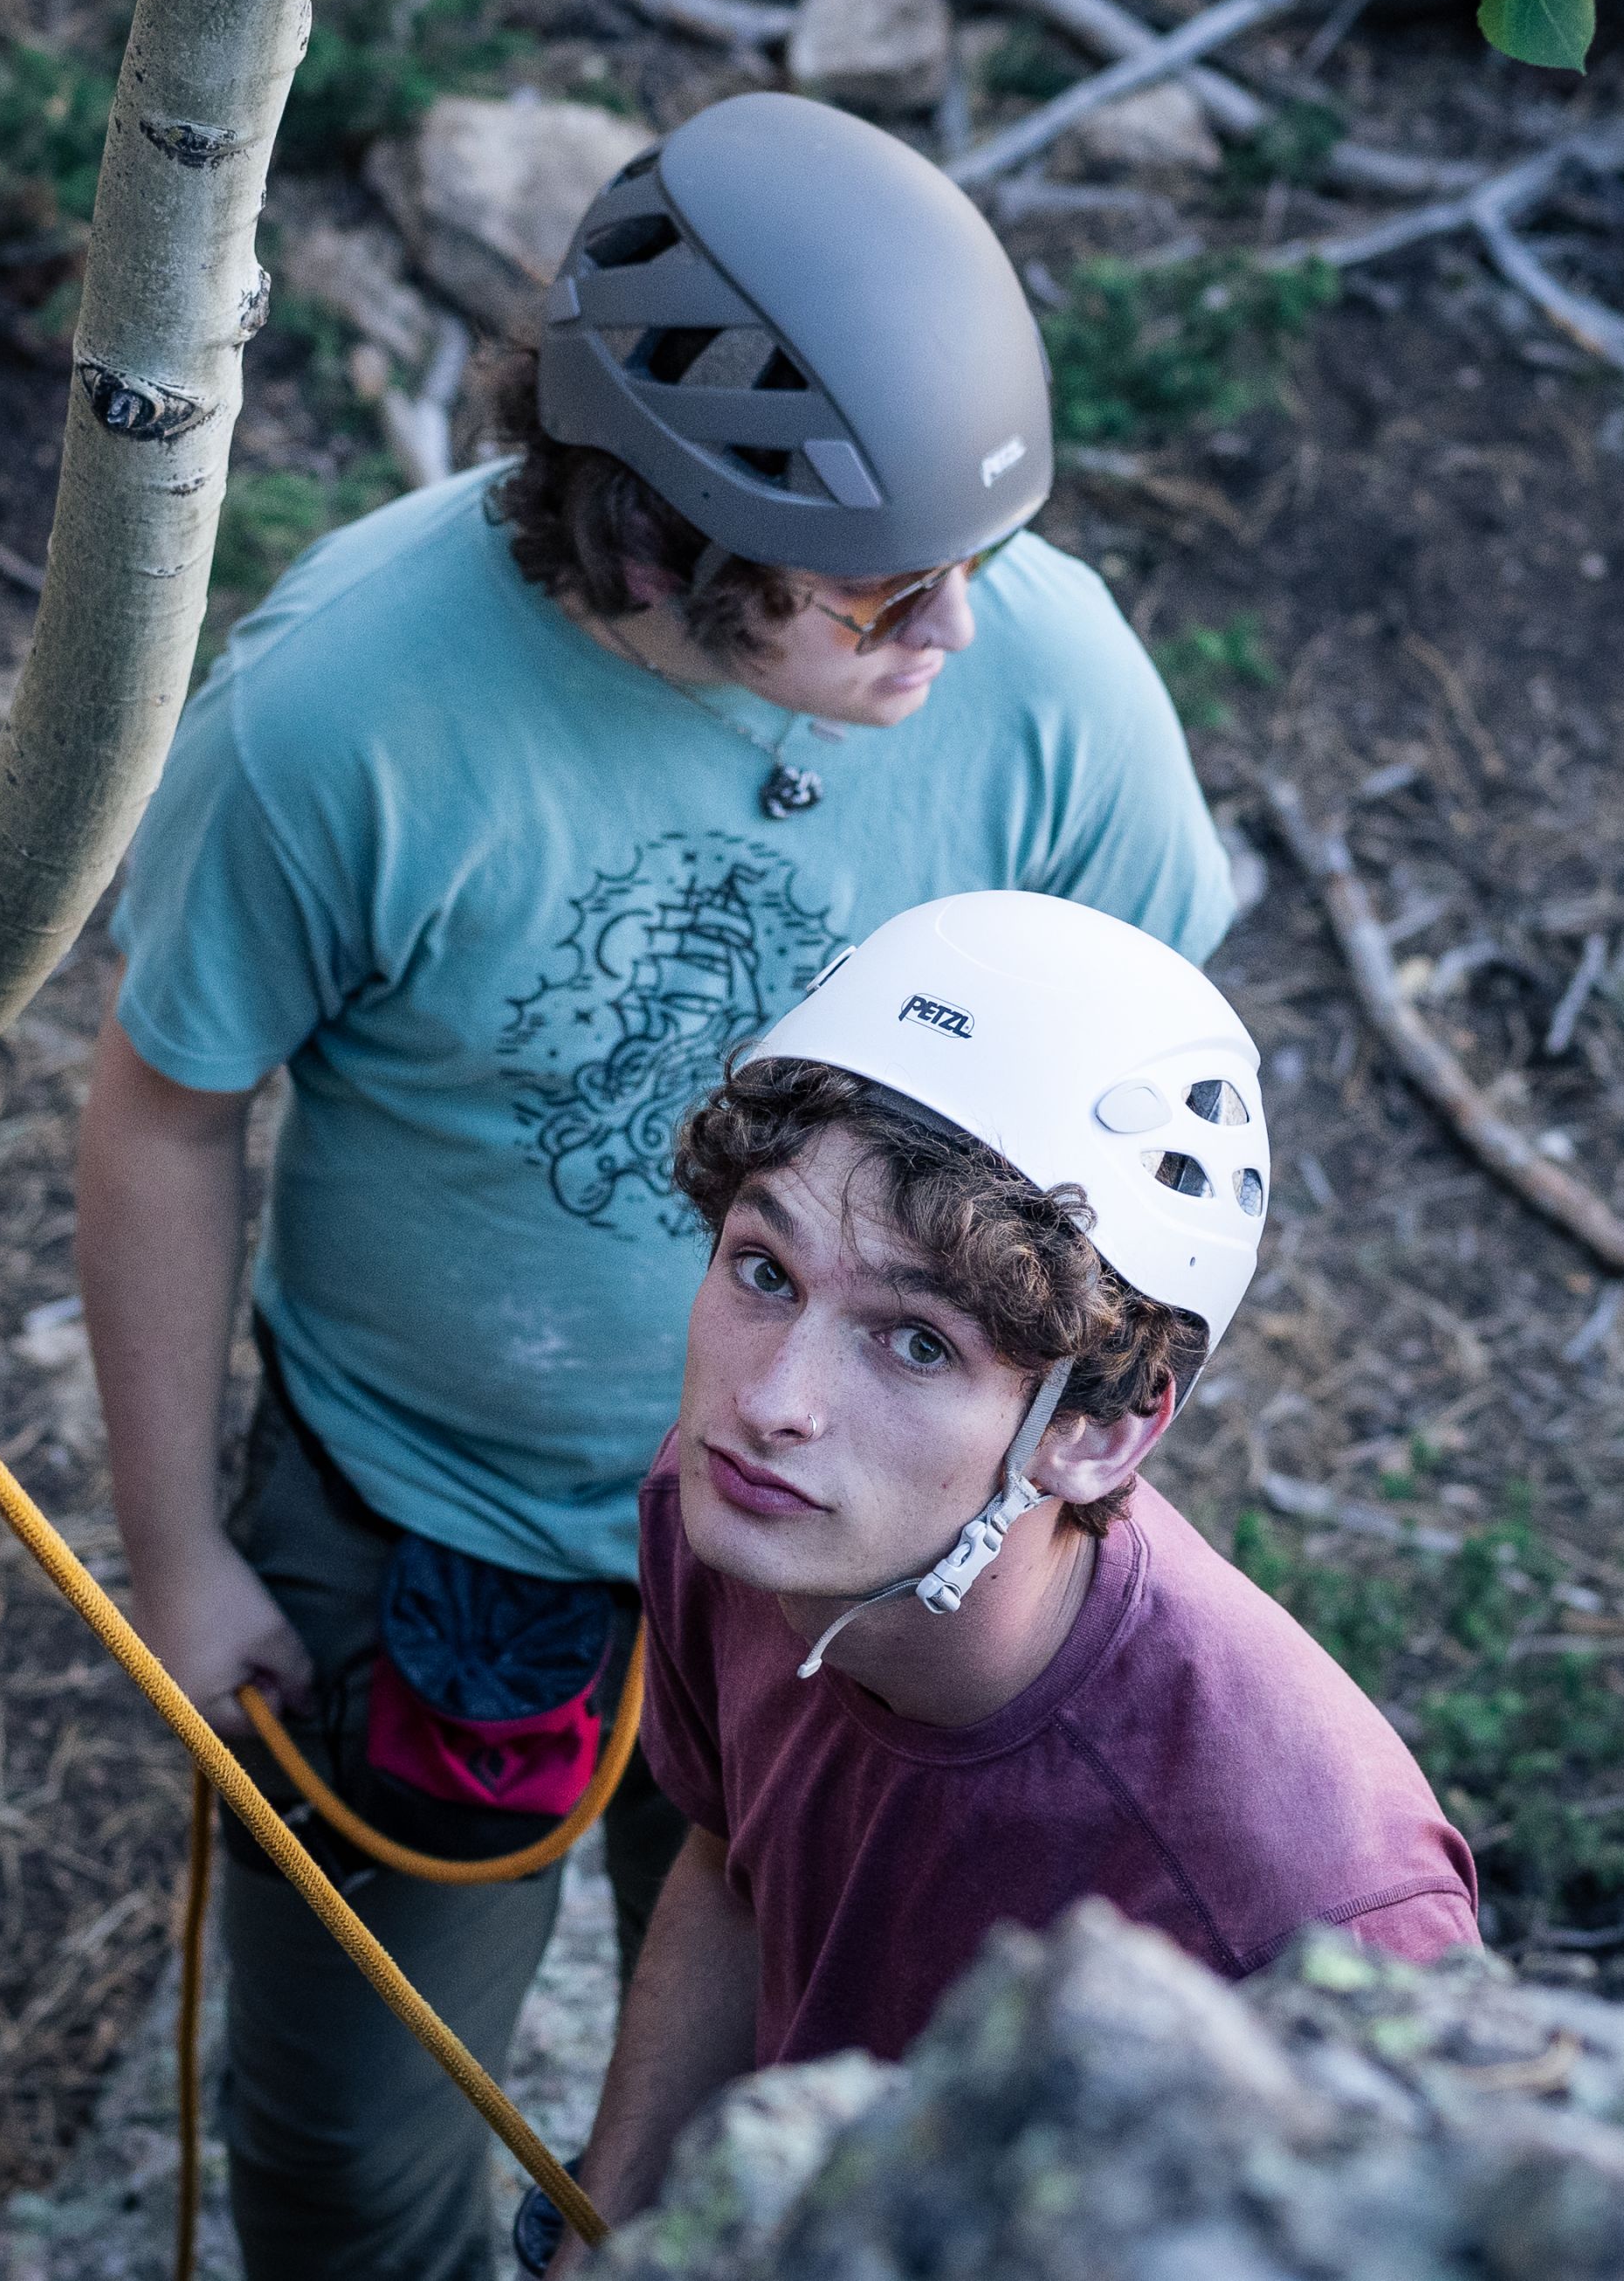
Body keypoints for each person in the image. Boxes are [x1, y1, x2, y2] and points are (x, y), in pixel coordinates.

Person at [72, 92, 1235, 2280]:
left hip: (860, 1549)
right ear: (649, 545)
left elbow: (1143, 1106)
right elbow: (164, 1109)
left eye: (976, 559)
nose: (957, 628)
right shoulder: (343, 713)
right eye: (883, 589)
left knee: (788, 2090)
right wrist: (178, 1550)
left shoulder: (1048, 687)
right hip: (435, 1516)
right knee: (346, 2150)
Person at [549, 892, 1477, 2262]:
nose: (772, 1402)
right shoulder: (744, 1522)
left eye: (917, 1343)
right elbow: (735, 1866)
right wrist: (605, 2234)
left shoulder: (1308, 1902)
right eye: (765, 1270)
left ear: (1099, 1432)